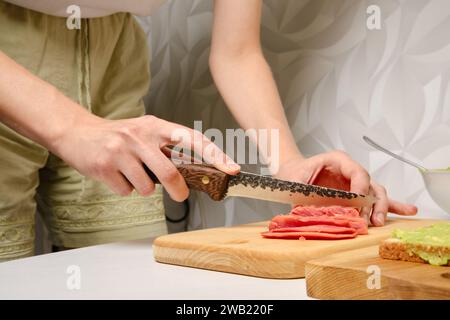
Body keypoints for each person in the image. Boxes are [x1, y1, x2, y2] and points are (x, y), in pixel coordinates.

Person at [0, 0, 417, 261]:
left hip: (116, 63)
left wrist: (291, 164)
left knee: (129, 275)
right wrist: (73, 126)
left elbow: (237, 53)